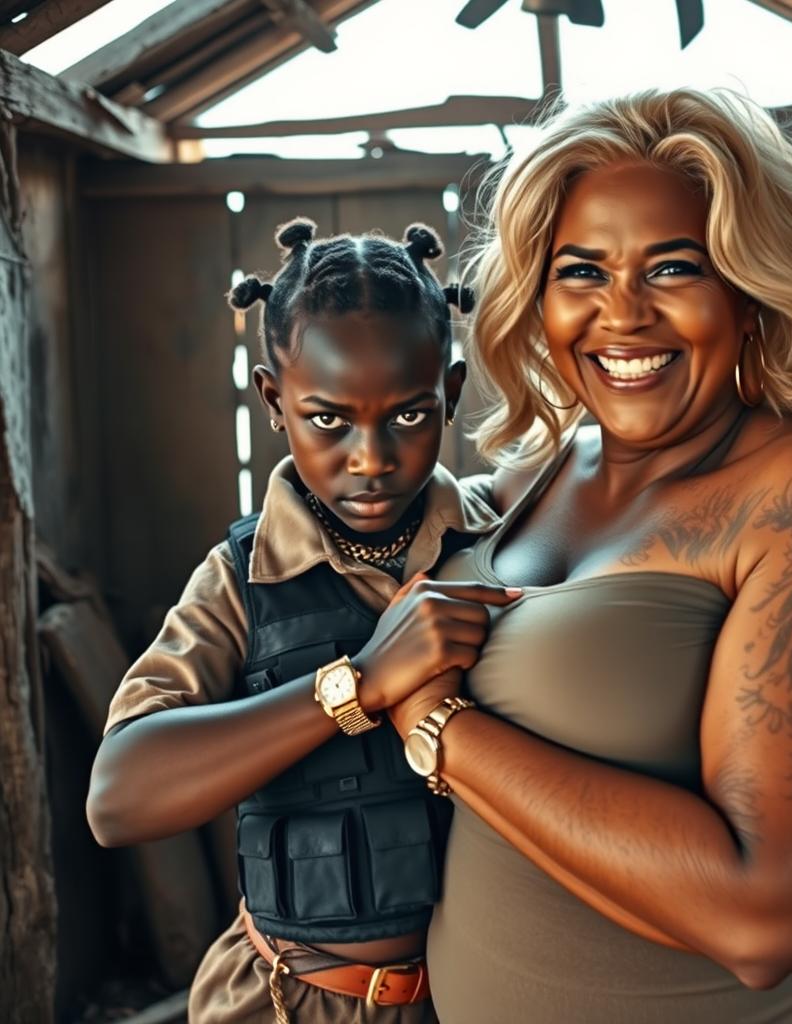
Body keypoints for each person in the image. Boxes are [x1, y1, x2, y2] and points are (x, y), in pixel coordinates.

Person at [382, 89, 792, 1023]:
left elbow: (766, 918)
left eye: (673, 268)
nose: (623, 315)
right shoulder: (548, 468)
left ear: (750, 284)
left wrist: (438, 727)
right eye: (582, 272)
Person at [86, 218, 521, 1023]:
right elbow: (119, 798)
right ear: (272, 401)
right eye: (328, 419)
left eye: (409, 415)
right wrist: (355, 685)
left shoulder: (506, 541)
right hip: (287, 1002)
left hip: (477, 1002)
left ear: (451, 394)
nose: (370, 456)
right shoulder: (239, 582)